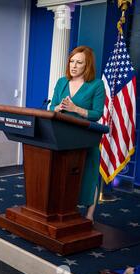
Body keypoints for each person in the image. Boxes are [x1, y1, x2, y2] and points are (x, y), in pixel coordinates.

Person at [49, 46, 105, 222]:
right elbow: (52, 107)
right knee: (63, 174)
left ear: (87, 65)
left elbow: (97, 113)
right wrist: (58, 107)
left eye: (79, 62)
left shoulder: (96, 85)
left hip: (85, 137)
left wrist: (76, 109)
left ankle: (89, 214)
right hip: (62, 136)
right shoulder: (62, 82)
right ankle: (63, 208)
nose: (73, 65)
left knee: (89, 174)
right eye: (71, 61)